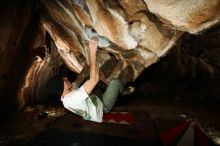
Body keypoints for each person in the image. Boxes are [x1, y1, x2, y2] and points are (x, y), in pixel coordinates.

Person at [46, 38, 126, 123]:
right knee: (115, 82)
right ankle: (123, 91)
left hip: (93, 100)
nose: (66, 78)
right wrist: (92, 52)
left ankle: (108, 89)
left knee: (87, 77)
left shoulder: (66, 94)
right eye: (63, 80)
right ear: (61, 86)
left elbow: (81, 77)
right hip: (102, 107)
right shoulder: (73, 99)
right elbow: (94, 80)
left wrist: (87, 63)